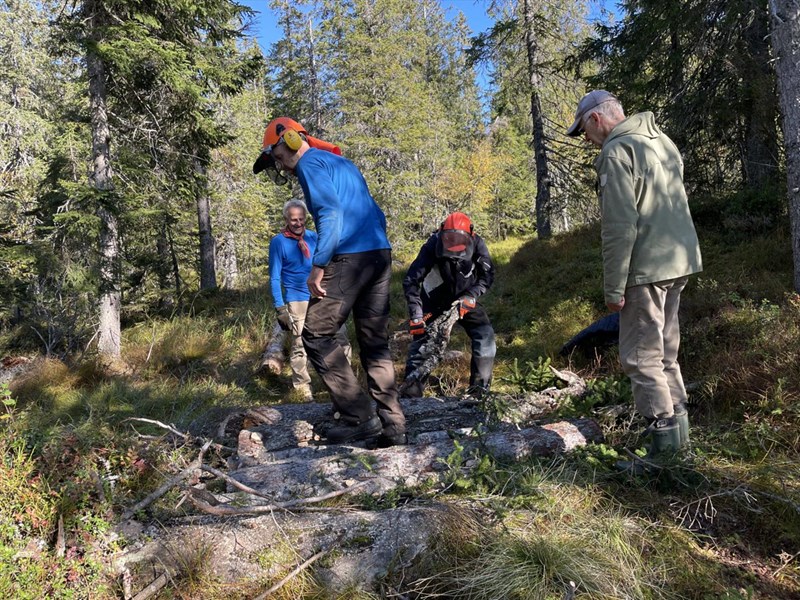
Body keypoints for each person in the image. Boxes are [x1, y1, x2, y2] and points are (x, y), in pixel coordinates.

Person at [254, 117, 406, 447]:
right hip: (379, 254)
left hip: (350, 257)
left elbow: (331, 215)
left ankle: (357, 417)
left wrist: (319, 265)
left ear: (290, 140)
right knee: (374, 340)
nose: (280, 165)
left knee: (315, 332)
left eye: (277, 156)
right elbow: (377, 215)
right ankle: (394, 425)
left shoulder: (310, 163)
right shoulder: (341, 161)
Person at [567, 90, 702, 459]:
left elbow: (619, 227)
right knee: (665, 355)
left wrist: (614, 287)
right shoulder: (661, 140)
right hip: (680, 261)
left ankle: (666, 457)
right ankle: (681, 442)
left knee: (641, 359)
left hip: (646, 268)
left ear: (595, 119)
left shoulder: (615, 151)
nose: (587, 141)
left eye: (584, 132)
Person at [401, 212, 496, 399]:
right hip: (433, 300)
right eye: (449, 242)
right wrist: (416, 314)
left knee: (485, 336)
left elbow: (487, 276)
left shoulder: (478, 243)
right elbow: (411, 280)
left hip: (465, 298)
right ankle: (410, 396)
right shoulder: (431, 246)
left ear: (471, 236)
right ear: (441, 234)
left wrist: (471, 296)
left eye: (459, 243)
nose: (454, 248)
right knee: (421, 344)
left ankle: (479, 392)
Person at [268, 199, 351, 401]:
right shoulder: (278, 242)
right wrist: (280, 308)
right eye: (293, 219)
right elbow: (274, 276)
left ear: (306, 218)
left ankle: (346, 383)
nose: (298, 223)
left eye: (301, 219)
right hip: (297, 298)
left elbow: (328, 265)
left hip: (322, 295)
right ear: (286, 220)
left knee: (340, 337)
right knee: (299, 344)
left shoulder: (315, 237)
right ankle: (302, 388)